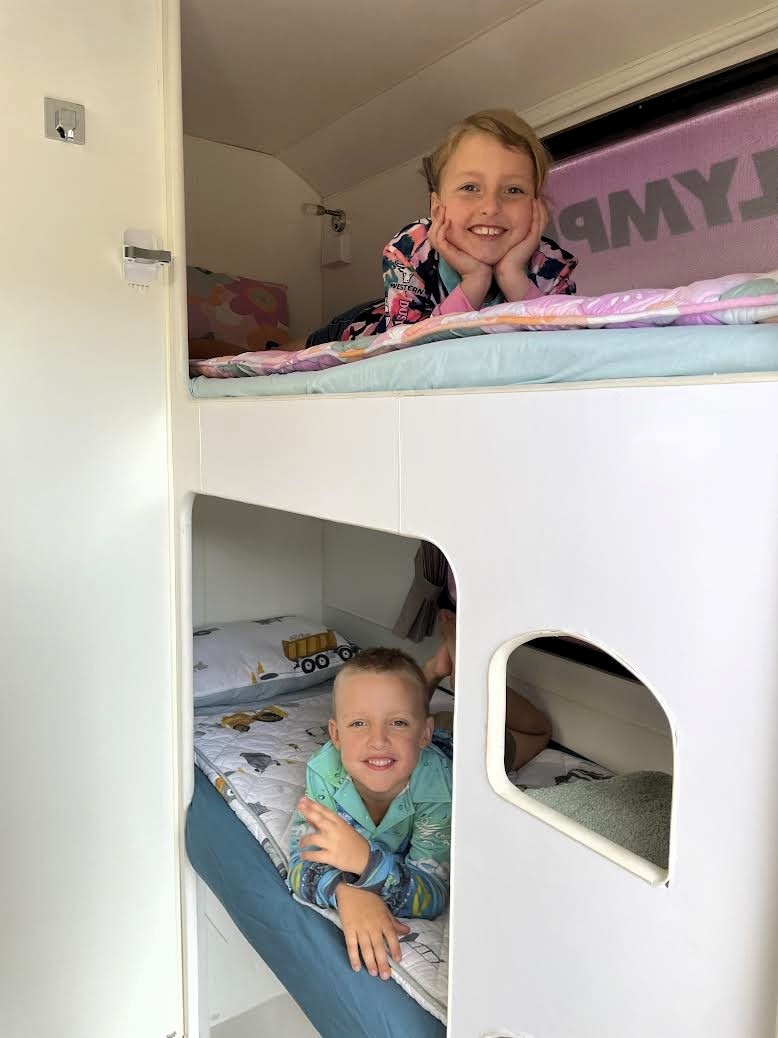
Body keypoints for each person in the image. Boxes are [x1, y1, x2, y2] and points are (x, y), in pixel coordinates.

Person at [289, 107, 577, 350]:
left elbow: (564, 345)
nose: (491, 207)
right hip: (374, 319)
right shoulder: (410, 249)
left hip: (421, 306)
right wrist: (474, 281)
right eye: (470, 187)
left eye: (513, 190)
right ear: (438, 208)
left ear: (537, 207)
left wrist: (511, 275)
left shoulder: (552, 266)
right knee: (303, 344)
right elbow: (410, 348)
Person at [288, 648, 452, 981]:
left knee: (531, 735)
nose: (377, 740)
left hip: (454, 752)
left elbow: (433, 894)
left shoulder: (438, 786)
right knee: (405, 706)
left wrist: (366, 863)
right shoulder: (325, 775)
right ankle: (427, 679)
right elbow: (300, 864)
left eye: (397, 723)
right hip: (420, 743)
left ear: (423, 734)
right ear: (336, 735)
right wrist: (345, 894)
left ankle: (439, 670)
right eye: (359, 723)